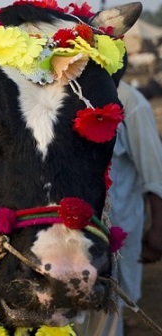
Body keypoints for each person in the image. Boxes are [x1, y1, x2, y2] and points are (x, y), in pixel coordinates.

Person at [75, 81, 162, 335]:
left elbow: (155, 172)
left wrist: (158, 231)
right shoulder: (57, 94)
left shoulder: (129, 100)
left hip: (114, 240)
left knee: (106, 318)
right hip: (67, 242)